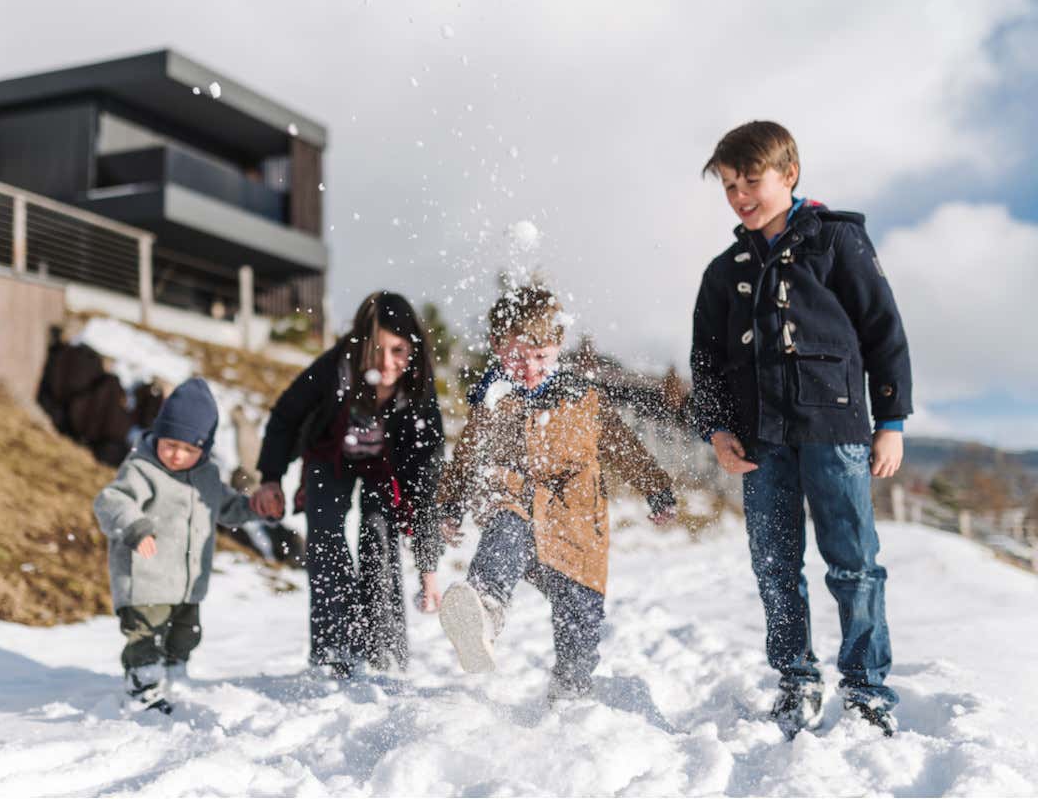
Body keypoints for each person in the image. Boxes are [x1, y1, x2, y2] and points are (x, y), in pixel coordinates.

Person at [691, 120, 912, 737]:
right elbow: (705, 359)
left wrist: (890, 420)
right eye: (730, 186)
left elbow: (883, 332)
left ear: (788, 175)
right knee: (774, 566)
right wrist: (716, 428)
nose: (739, 197)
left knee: (854, 565)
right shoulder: (723, 271)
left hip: (835, 429)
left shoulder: (838, 242)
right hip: (760, 442)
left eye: (750, 181)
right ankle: (796, 679)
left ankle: (867, 690)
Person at [435, 285, 677, 704]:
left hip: (578, 528)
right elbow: (466, 456)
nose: (529, 368)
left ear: (558, 346)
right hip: (522, 510)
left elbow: (623, 446)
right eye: (516, 357)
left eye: (541, 357)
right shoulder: (493, 401)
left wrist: (656, 489)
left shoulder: (583, 398)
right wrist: (451, 503)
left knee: (579, 620)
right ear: (496, 346)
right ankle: (484, 612)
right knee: (505, 528)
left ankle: (570, 693)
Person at [250, 292, 445, 677]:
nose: (387, 364)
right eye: (377, 350)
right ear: (361, 344)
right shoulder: (334, 368)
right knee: (324, 529)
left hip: (386, 466)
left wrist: (428, 565)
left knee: (379, 531)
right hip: (331, 454)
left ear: (413, 348)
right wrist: (270, 478)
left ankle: (384, 650)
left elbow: (424, 476)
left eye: (399, 351)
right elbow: (287, 415)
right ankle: (333, 648)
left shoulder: (418, 389)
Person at [94, 377, 260, 713]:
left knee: (185, 635)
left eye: (189, 449)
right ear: (158, 433)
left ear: (205, 448)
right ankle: (143, 683)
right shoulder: (142, 469)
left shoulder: (207, 476)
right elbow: (112, 500)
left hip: (187, 582)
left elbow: (226, 507)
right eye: (170, 444)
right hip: (144, 579)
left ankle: (174, 675)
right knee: (145, 636)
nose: (177, 455)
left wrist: (256, 508)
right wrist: (136, 528)